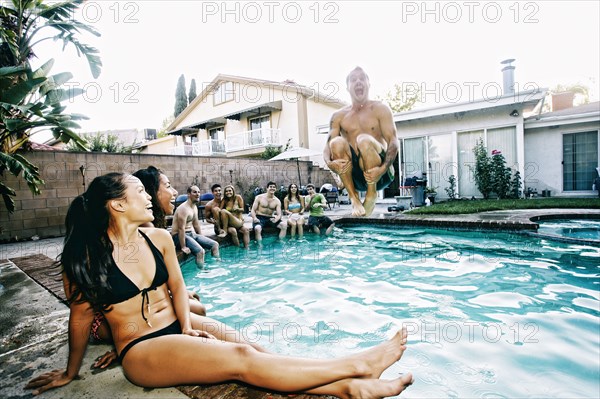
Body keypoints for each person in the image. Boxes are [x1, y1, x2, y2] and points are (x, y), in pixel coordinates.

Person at [26, 172, 414, 397]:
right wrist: (69, 372)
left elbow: (178, 289)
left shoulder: (157, 239)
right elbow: (79, 319)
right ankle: (357, 365)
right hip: (142, 351)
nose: (152, 196)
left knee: (252, 348)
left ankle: (347, 389)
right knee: (241, 362)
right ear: (117, 204)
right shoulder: (86, 258)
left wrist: (191, 327)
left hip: (177, 327)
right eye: (141, 192)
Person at [88, 166, 208, 369]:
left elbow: (156, 279)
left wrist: (180, 295)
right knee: (197, 308)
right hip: (107, 318)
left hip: (142, 309)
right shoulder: (140, 229)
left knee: (194, 305)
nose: (174, 192)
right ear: (153, 191)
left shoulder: (153, 228)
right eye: (168, 186)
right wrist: (124, 346)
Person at [324, 66, 399, 217]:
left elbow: (393, 142)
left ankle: (371, 195)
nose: (358, 82)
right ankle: (354, 198)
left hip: (381, 173)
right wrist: (330, 163)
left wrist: (382, 169)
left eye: (362, 78)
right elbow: (327, 147)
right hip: (355, 176)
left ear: (368, 84)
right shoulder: (338, 116)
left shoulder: (381, 109)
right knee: (336, 143)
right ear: (348, 87)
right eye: (353, 79)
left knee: (363, 140)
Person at [172, 185, 220, 266]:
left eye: (198, 192)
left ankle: (217, 265)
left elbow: (196, 225)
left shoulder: (194, 207)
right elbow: (181, 229)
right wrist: (183, 247)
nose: (198, 194)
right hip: (178, 236)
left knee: (215, 245)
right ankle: (202, 271)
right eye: (194, 192)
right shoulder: (183, 208)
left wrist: (201, 238)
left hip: (190, 234)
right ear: (188, 194)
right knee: (200, 251)